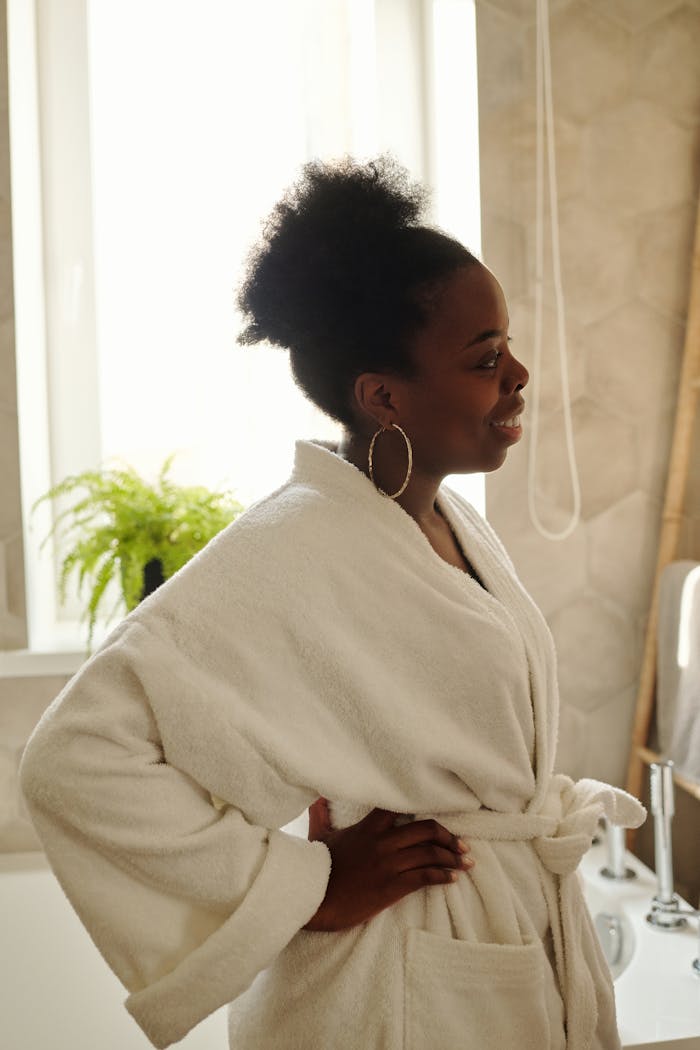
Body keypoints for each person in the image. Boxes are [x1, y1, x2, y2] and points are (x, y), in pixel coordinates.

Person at [19, 154, 645, 1050]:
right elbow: (72, 762)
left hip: (488, 944)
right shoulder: (294, 548)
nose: (518, 374)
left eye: (505, 345)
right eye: (483, 357)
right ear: (383, 395)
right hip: (395, 983)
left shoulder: (445, 523)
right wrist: (307, 885)